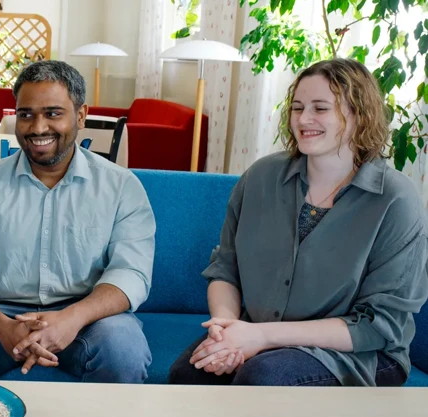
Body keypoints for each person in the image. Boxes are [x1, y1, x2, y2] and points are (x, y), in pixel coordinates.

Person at [168, 58, 428, 387]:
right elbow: (225, 267)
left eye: (320, 108)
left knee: (261, 377)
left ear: (359, 115)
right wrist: (227, 329)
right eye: (297, 107)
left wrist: (260, 337)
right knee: (188, 374)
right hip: (258, 333)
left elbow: (378, 325)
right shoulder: (260, 177)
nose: (303, 119)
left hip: (361, 354)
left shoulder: (396, 200)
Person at [0, 60, 154, 382]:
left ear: (81, 115)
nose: (38, 127)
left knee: (124, 349)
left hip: (87, 318)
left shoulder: (120, 187)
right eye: (26, 114)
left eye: (53, 113)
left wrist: (72, 318)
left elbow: (132, 272)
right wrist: (4, 327)